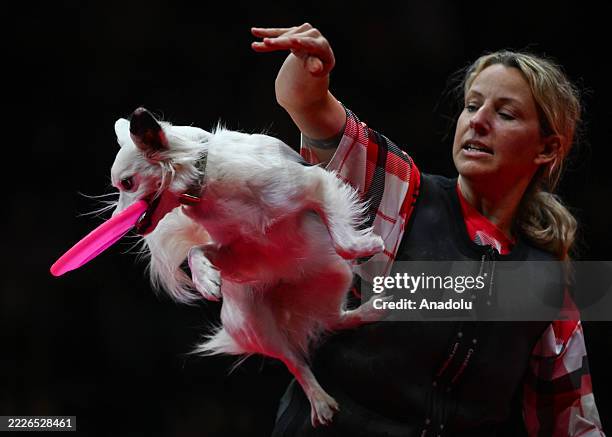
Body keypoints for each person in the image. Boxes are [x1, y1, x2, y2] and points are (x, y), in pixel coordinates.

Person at [251, 24, 606, 436]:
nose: (479, 122)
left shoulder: (547, 288)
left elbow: (574, 425)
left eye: (505, 114)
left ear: (546, 149)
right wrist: (307, 67)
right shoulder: (401, 193)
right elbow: (304, 102)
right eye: (472, 106)